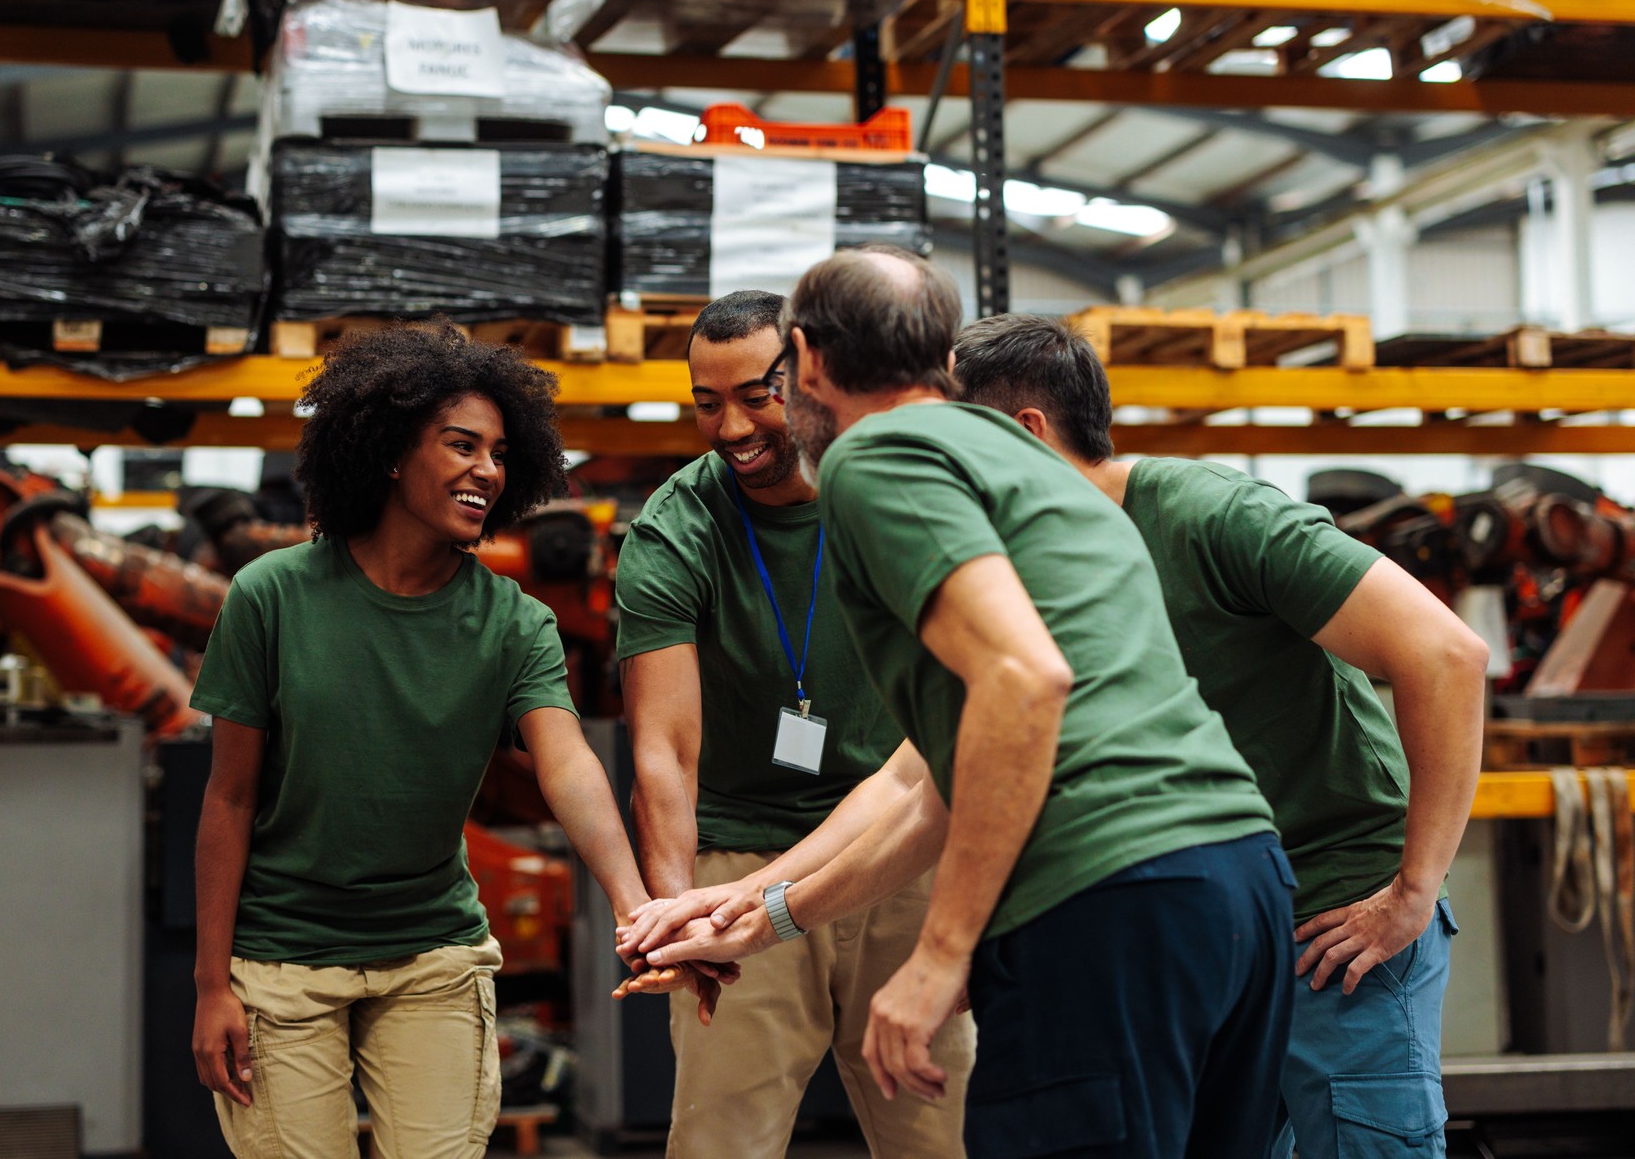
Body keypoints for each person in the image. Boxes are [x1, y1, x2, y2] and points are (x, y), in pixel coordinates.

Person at [624, 246, 1294, 1159]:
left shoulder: (875, 458)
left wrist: (939, 954)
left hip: (1104, 892)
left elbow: (1025, 685)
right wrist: (765, 906)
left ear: (807, 360)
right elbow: (939, 781)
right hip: (1240, 876)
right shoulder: (1027, 460)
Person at [952, 313, 1487, 1159]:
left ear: (1025, 434)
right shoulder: (1031, 568)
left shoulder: (1213, 516)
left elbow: (1448, 654)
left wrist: (1412, 891)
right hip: (1208, 929)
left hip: (1335, 920)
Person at [188, 324, 686, 1159]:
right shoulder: (270, 596)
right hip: (281, 961)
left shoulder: (513, 621)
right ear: (388, 451)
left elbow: (566, 763)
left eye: (497, 452)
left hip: (432, 952)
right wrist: (211, 985)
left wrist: (636, 904)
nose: (485, 470)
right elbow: (228, 796)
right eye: (461, 445)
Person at [615, 289, 970, 1158]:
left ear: (805, 373)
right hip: (742, 862)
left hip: (901, 849)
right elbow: (664, 752)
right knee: (721, 1142)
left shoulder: (887, 495)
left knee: (941, 1134)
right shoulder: (676, 527)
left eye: (754, 395)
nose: (731, 425)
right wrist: (679, 917)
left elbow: (942, 735)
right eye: (707, 401)